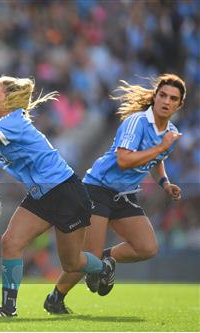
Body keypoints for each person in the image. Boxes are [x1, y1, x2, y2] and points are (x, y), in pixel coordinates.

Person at [0, 75, 117, 318]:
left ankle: (103, 266)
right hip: (41, 194)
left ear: (11, 100)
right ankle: (8, 308)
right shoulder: (0, 119)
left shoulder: (13, 123)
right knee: (10, 242)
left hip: (66, 192)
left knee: (71, 263)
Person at [43, 73, 186, 314]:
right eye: (162, 95)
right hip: (97, 189)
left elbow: (155, 161)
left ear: (179, 105)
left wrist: (164, 183)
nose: (166, 101)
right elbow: (123, 160)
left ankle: (103, 262)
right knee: (89, 256)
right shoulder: (137, 122)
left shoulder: (170, 132)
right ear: (155, 96)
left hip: (125, 194)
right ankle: (55, 298)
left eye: (173, 98)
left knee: (147, 247)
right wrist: (161, 147)